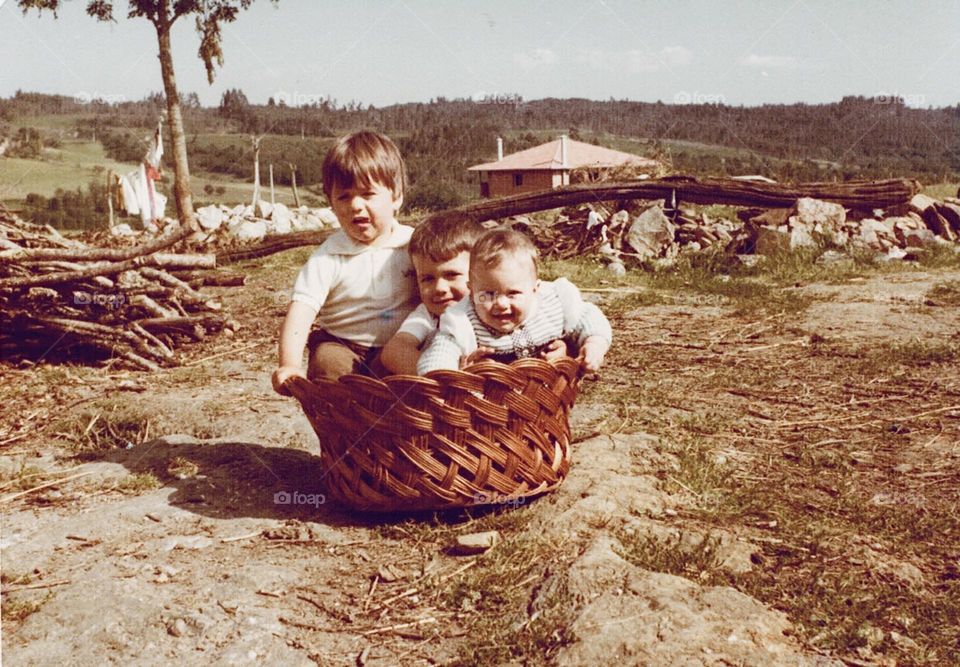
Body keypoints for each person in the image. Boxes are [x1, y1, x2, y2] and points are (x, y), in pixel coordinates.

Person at [271, 131, 416, 394]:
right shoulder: (328, 257)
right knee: (327, 363)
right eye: (344, 197)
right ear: (331, 203)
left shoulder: (414, 245)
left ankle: (399, 418)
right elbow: (301, 312)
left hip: (397, 346)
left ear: (396, 197)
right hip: (343, 345)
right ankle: (340, 418)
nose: (356, 205)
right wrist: (289, 364)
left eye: (367, 194)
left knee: (415, 369)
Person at [417, 228, 611, 374]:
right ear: (472, 291)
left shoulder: (554, 303)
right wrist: (450, 375)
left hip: (547, 394)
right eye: (488, 294)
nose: (501, 304)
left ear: (535, 289)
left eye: (513, 293)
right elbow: (441, 350)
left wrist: (594, 344)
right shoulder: (463, 321)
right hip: (490, 400)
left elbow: (588, 317)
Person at [380, 217, 484, 375]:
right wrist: (439, 373)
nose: (439, 288)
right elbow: (394, 352)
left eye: (451, 275)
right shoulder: (428, 315)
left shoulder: (490, 304)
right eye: (427, 279)